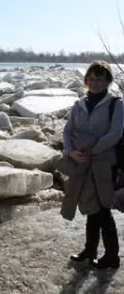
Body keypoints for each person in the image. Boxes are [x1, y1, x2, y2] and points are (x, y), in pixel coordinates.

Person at [60, 60, 123, 269]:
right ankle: (90, 249)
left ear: (108, 81)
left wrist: (91, 152)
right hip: (82, 163)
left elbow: (115, 133)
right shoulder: (79, 104)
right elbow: (68, 131)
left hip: (104, 164)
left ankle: (112, 256)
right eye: (92, 79)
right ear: (86, 80)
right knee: (90, 206)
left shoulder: (116, 104)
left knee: (103, 208)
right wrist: (71, 152)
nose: (95, 83)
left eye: (100, 79)